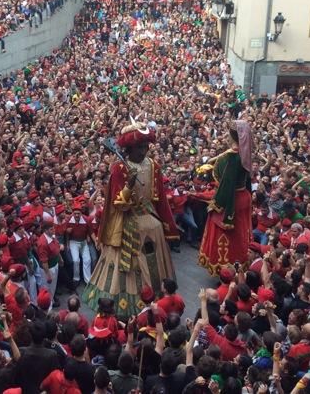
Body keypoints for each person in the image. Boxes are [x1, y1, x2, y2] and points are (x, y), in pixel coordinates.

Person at [83, 121, 176, 319]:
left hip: (151, 221)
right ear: (130, 148)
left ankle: (157, 293)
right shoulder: (119, 169)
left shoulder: (154, 165)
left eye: (146, 146)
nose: (144, 151)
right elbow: (118, 204)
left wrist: (168, 226)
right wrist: (129, 186)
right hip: (128, 221)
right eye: (140, 147)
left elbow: (159, 197)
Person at [198, 120, 253, 276]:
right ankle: (240, 264)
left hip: (230, 200)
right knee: (240, 234)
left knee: (226, 237)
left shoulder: (229, 157)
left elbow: (226, 184)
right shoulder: (245, 153)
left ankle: (225, 269)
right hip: (243, 196)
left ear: (232, 136)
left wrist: (216, 204)